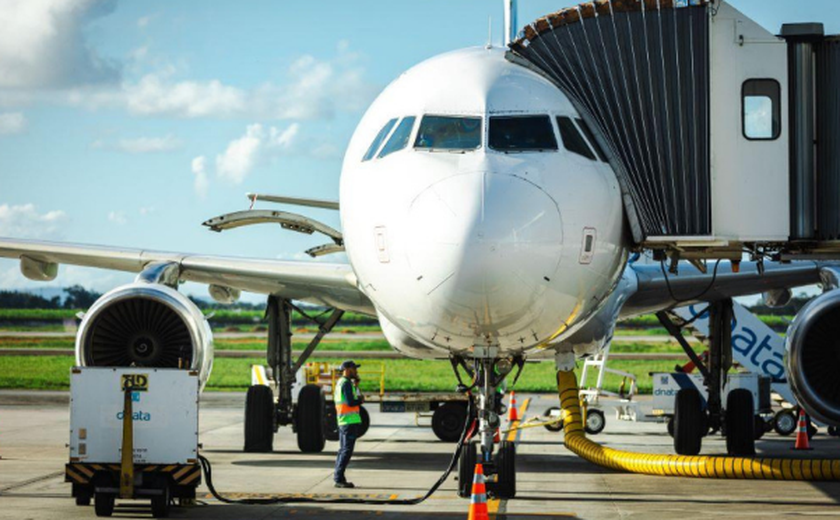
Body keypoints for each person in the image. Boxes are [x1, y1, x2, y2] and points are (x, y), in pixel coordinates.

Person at [334, 360, 364, 488]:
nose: (356, 371)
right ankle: (339, 479)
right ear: (347, 369)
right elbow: (351, 402)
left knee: (343, 450)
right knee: (346, 451)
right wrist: (360, 400)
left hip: (344, 421)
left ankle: (339, 477)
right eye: (354, 368)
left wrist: (356, 385)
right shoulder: (345, 383)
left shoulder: (343, 383)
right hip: (348, 422)